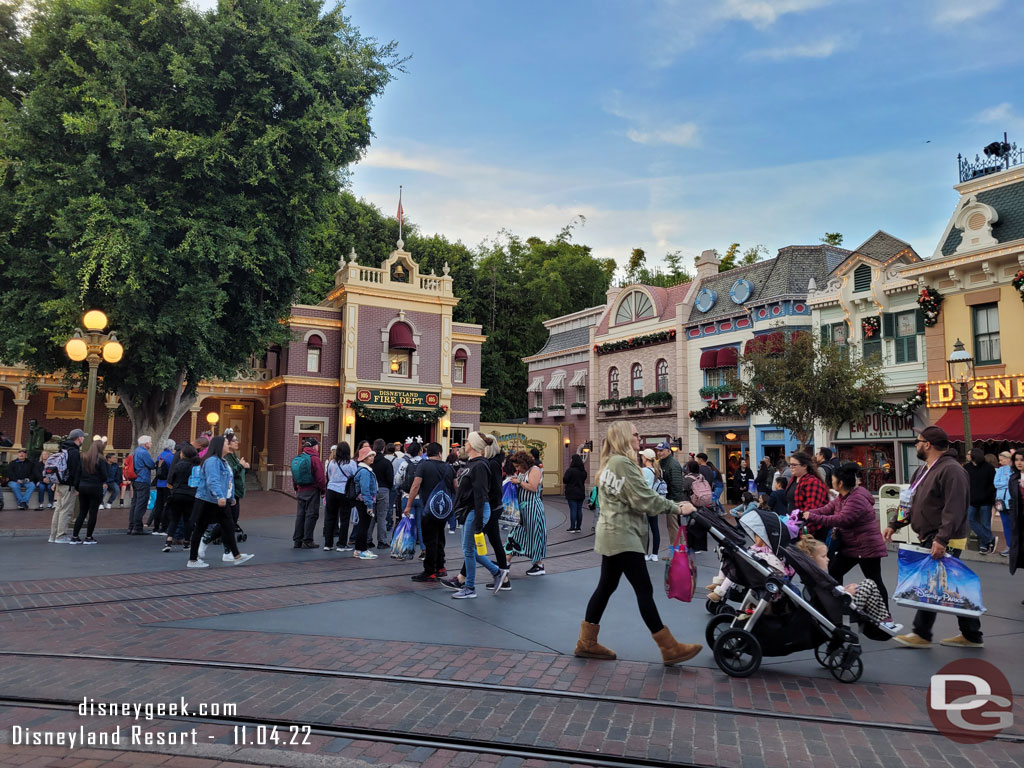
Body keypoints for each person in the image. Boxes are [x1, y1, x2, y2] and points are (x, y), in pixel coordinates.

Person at [575, 421, 702, 665]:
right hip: (624, 535)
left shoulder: (609, 463)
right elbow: (644, 499)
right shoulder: (623, 464)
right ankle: (669, 648)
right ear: (624, 438)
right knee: (644, 590)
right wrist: (676, 507)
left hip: (612, 533)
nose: (638, 437)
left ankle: (587, 642)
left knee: (606, 587)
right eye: (634, 434)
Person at [884, 425, 981, 649]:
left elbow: (954, 508)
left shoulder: (952, 470)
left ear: (927, 444)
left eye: (918, 441)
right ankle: (971, 635)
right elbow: (909, 501)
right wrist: (895, 524)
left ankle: (922, 634)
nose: (916, 445)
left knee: (929, 583)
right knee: (949, 585)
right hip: (930, 534)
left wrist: (942, 539)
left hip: (945, 536)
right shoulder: (923, 470)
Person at [801, 461, 890, 609]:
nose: (831, 481)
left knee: (874, 580)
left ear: (840, 483)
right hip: (852, 546)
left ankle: (885, 616)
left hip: (867, 548)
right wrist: (807, 513)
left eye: (833, 479)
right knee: (834, 573)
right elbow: (827, 509)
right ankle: (836, 607)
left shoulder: (856, 499)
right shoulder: (843, 497)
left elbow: (841, 519)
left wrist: (811, 516)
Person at [447, 432, 508, 599]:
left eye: (467, 441)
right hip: (472, 510)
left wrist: (480, 520)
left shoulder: (479, 465)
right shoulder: (474, 463)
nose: (464, 444)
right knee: (469, 549)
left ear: (473, 445)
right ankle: (496, 572)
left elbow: (481, 493)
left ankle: (470, 587)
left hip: (476, 510)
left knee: (468, 549)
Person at [795, 535, 898, 629]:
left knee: (866, 585)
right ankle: (881, 618)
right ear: (812, 559)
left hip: (837, 603)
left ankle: (881, 617)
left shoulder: (814, 575)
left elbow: (830, 593)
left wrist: (844, 590)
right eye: (823, 557)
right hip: (841, 608)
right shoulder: (819, 577)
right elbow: (830, 596)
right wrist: (848, 593)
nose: (827, 559)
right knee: (869, 584)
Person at [186, 436, 254, 568]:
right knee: (201, 527)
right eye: (227, 443)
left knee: (228, 525)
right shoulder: (213, 461)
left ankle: (236, 555)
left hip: (220, 500)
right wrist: (220, 496)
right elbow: (213, 481)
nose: (229, 445)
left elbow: (229, 481)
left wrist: (231, 496)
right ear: (219, 445)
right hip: (208, 500)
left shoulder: (223, 462)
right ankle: (193, 559)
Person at [708, 508, 792, 602]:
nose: (756, 538)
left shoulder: (768, 552)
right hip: (753, 568)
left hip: (757, 572)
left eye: (758, 536)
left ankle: (721, 591)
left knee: (736, 565)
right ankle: (719, 580)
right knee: (729, 554)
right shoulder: (757, 547)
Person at [405, 442, 453, 578]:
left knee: (430, 539)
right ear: (440, 453)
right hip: (443, 510)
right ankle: (441, 567)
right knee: (440, 537)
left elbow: (415, 486)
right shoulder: (448, 467)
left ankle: (430, 570)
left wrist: (408, 505)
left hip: (428, 508)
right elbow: (456, 486)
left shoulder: (423, 466)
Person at [505, 450, 547, 576]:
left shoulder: (534, 470)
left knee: (534, 535)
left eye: (518, 466)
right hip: (523, 509)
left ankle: (538, 564)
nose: (517, 469)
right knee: (515, 534)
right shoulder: (524, 472)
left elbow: (533, 487)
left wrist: (518, 482)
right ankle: (506, 561)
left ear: (524, 463)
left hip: (533, 508)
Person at [50, 429, 85, 543]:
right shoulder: (74, 452)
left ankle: (53, 535)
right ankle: (61, 536)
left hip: (60, 483)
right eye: (83, 437)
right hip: (69, 485)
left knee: (58, 509)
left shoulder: (63, 449)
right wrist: (77, 487)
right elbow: (76, 471)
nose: (84, 438)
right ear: (79, 438)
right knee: (66, 510)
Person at [163, 443, 200, 552]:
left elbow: (171, 480)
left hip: (177, 494)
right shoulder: (196, 466)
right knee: (188, 520)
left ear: (183, 454)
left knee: (174, 519)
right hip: (191, 494)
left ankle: (168, 542)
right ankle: (187, 543)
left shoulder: (178, 465)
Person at [71, 437, 108, 544]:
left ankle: (75, 536)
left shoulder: (83, 458)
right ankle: (88, 537)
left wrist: (77, 487)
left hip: (83, 486)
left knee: (82, 512)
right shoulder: (101, 459)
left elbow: (77, 474)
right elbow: (105, 476)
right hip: (95, 486)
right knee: (93, 513)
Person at [292, 437, 326, 549]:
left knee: (300, 515)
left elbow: (294, 475)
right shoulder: (315, 459)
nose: (318, 447)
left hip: (301, 490)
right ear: (314, 446)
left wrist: (296, 488)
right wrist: (323, 490)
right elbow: (320, 478)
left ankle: (297, 540)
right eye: (317, 445)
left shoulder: (299, 457)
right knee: (311, 515)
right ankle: (307, 540)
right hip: (312, 490)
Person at [787, 452, 829, 538]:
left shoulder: (813, 482)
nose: (791, 467)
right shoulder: (793, 479)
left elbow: (812, 509)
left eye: (794, 465)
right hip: (794, 526)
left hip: (809, 530)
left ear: (805, 466)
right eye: (790, 464)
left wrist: (804, 532)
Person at [324, 443, 357, 551]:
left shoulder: (332, 463)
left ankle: (328, 544)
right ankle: (342, 544)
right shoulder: (351, 463)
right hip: (344, 491)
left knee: (330, 517)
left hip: (331, 490)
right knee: (344, 518)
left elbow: (328, 476)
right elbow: (354, 475)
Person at [965, 446, 997, 555]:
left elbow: (992, 485)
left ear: (974, 456)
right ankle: (990, 539)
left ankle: (984, 546)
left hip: (985, 501)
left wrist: (986, 496)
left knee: (985, 524)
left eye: (969, 454)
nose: (966, 456)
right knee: (969, 520)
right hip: (971, 500)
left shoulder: (989, 468)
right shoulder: (966, 467)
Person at [395, 441, 424, 554]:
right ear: (420, 451)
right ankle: (423, 549)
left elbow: (397, 480)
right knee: (421, 525)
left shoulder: (404, 464)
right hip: (421, 498)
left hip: (407, 497)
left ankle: (406, 549)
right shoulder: (425, 463)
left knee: (407, 523)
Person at [351, 444, 379, 560]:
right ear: (364, 458)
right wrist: (369, 505)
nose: (372, 458)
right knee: (364, 526)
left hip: (362, 501)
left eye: (372, 455)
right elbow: (365, 489)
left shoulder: (362, 470)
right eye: (369, 456)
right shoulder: (365, 472)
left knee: (363, 525)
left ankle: (359, 549)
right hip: (364, 502)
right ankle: (362, 549)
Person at [656, 441, 685, 549]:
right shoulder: (662, 462)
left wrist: (673, 502)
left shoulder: (673, 464)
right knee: (673, 526)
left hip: (673, 499)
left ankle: (676, 551)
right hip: (669, 499)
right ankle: (679, 549)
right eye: (658, 450)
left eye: (661, 450)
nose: (659, 453)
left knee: (673, 526)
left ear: (668, 451)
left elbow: (677, 484)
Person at [640, 449, 666, 562]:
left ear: (645, 458)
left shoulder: (643, 471)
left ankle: (645, 554)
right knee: (655, 529)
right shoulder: (657, 470)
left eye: (642, 456)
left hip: (645, 503)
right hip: (654, 503)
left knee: (645, 530)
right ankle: (655, 554)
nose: (641, 458)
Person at [128, 436, 156, 536]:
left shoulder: (136, 451)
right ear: (146, 443)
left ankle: (131, 526)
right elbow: (151, 465)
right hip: (143, 479)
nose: (151, 444)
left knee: (134, 503)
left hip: (135, 479)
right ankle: (137, 527)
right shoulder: (144, 452)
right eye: (150, 442)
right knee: (141, 504)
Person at [146, 439, 176, 533]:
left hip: (159, 482)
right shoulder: (171, 457)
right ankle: (164, 528)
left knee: (158, 505)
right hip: (167, 484)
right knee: (166, 506)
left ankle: (156, 527)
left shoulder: (160, 456)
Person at [371, 439, 394, 549]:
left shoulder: (369, 461)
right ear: (383, 448)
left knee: (370, 515)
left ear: (374, 448)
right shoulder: (386, 462)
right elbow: (390, 479)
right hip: (383, 489)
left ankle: (367, 539)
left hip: (371, 490)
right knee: (381, 516)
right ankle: (382, 541)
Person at [1007, 450, 1024, 586]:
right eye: (1017, 460)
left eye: (1022, 460)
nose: (1019, 463)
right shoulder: (1013, 478)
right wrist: (1012, 515)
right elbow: (1012, 499)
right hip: (1019, 520)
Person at [562, 454, 587, 533]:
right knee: (579, 510)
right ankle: (578, 527)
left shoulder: (570, 470)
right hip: (581, 492)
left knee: (573, 509)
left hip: (571, 492)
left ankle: (572, 527)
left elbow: (565, 480)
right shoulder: (583, 471)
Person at [995, 450, 1014, 557]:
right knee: (1006, 525)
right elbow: (996, 483)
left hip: (1012, 502)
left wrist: (1007, 483)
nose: (1000, 461)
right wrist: (1007, 483)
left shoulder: (1014, 470)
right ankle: (1009, 546)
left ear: (1008, 459)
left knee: (1015, 525)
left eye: (1002, 459)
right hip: (1001, 502)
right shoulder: (1000, 470)